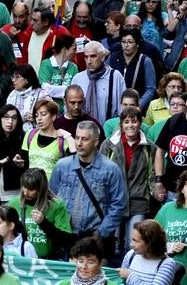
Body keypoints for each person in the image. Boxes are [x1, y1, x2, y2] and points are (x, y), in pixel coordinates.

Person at [50, 121, 127, 258]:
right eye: (77, 137)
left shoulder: (110, 169)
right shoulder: (62, 166)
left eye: (84, 139)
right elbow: (52, 198)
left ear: (96, 141)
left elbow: (118, 205)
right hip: (65, 237)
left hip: (95, 238)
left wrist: (100, 234)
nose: (78, 143)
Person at [101, 107, 158, 247]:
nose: (130, 125)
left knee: (133, 245)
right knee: (111, 244)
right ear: (121, 124)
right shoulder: (109, 145)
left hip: (138, 202)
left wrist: (153, 193)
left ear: (140, 123)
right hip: (113, 202)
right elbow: (101, 172)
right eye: (126, 122)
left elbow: (152, 174)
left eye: (134, 121)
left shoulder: (149, 147)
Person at [9, 168, 73, 260]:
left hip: (47, 261)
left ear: (41, 189)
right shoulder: (13, 203)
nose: (26, 192)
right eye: (24, 187)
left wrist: (44, 223)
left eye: (31, 189)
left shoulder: (56, 205)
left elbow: (66, 240)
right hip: (22, 260)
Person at [21, 98, 74, 181]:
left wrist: (67, 136)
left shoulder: (61, 139)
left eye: (43, 114)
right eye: (36, 115)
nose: (39, 118)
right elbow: (24, 163)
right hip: (32, 188)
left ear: (53, 116)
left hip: (53, 190)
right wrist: (19, 162)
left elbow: (75, 159)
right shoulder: (30, 134)